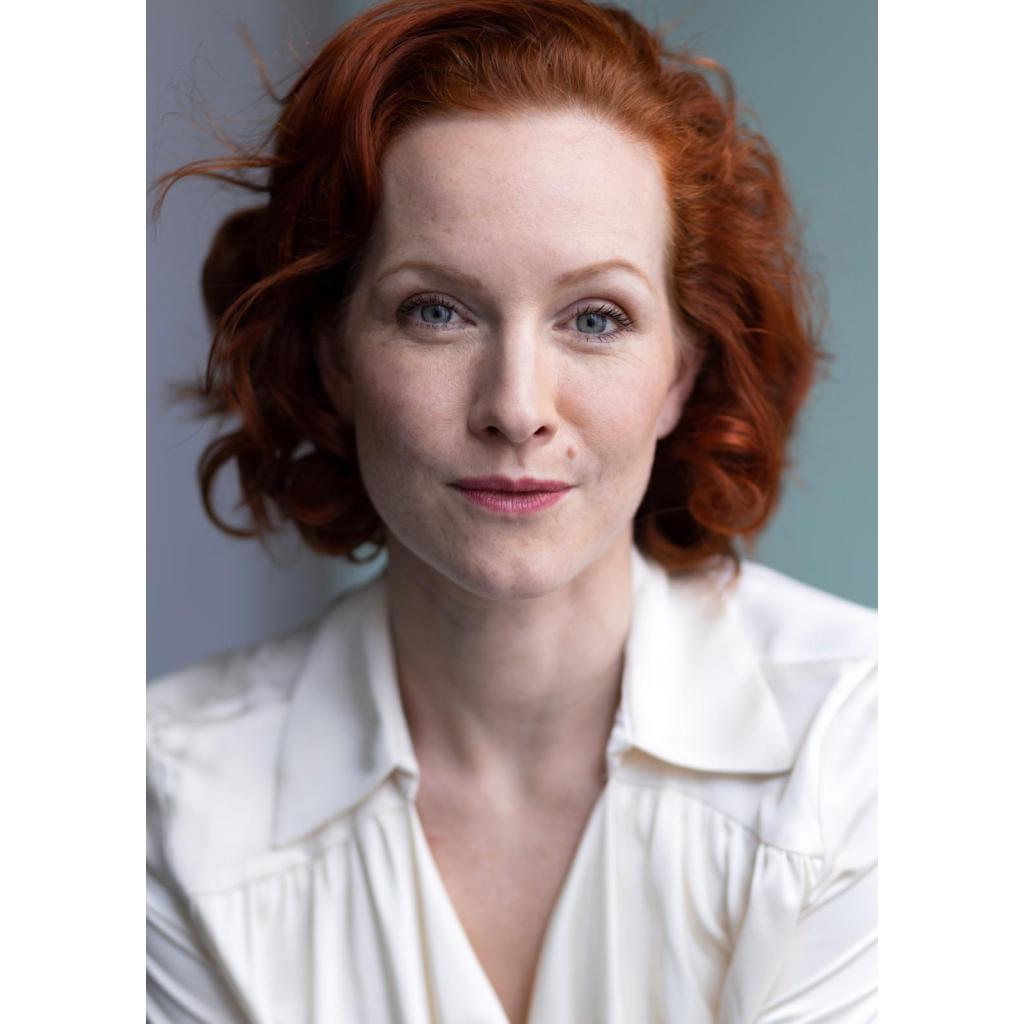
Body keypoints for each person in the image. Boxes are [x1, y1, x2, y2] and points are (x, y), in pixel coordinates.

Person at [147, 0, 877, 1021]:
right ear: (333, 356)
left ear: (680, 372)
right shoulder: (163, 802)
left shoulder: (869, 743)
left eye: (596, 318)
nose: (517, 407)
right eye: (435, 311)